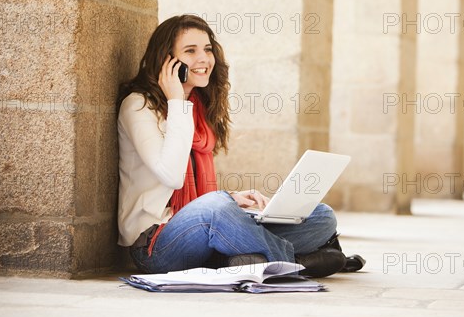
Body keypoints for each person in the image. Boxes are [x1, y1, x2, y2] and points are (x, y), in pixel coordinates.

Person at [117, 14, 348, 277]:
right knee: (217, 207)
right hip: (156, 244)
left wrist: (233, 200)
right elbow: (172, 175)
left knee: (321, 216)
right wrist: (177, 102)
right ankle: (293, 262)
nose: (203, 59)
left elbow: (200, 197)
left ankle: (243, 259)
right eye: (190, 51)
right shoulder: (138, 106)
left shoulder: (199, 110)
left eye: (207, 49)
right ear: (167, 61)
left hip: (202, 228)